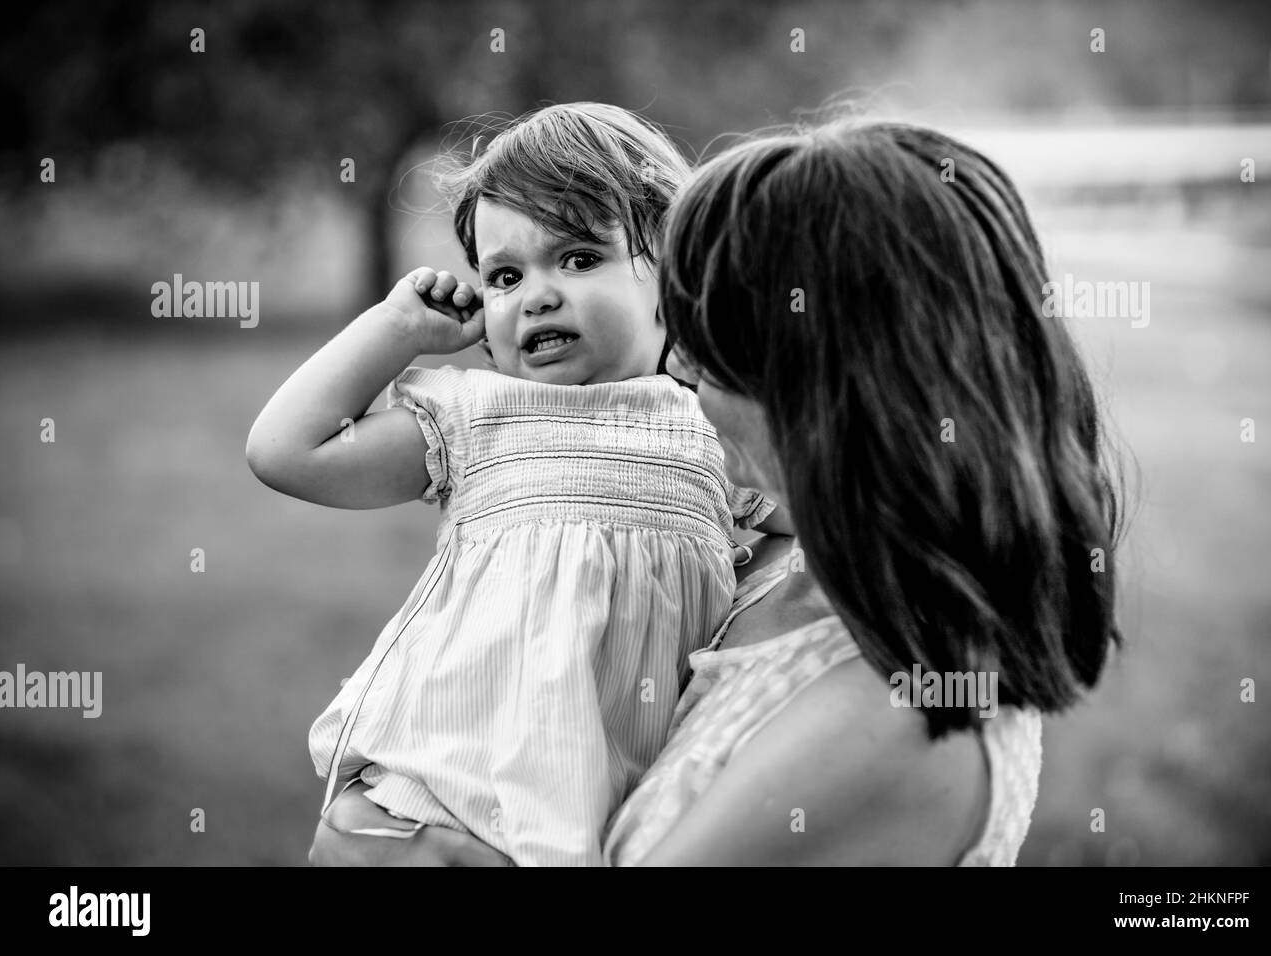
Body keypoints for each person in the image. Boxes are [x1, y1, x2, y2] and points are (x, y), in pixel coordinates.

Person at [310, 114, 1124, 866]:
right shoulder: (775, 569)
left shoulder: (904, 708)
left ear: (824, 375)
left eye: (708, 336)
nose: (682, 371)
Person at [245, 102, 789, 867]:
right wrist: (394, 331)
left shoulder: (711, 432)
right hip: (423, 813)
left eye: (577, 258)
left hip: (583, 837)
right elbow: (286, 451)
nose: (536, 294)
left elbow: (820, 513)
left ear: (675, 271)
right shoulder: (478, 417)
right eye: (505, 274)